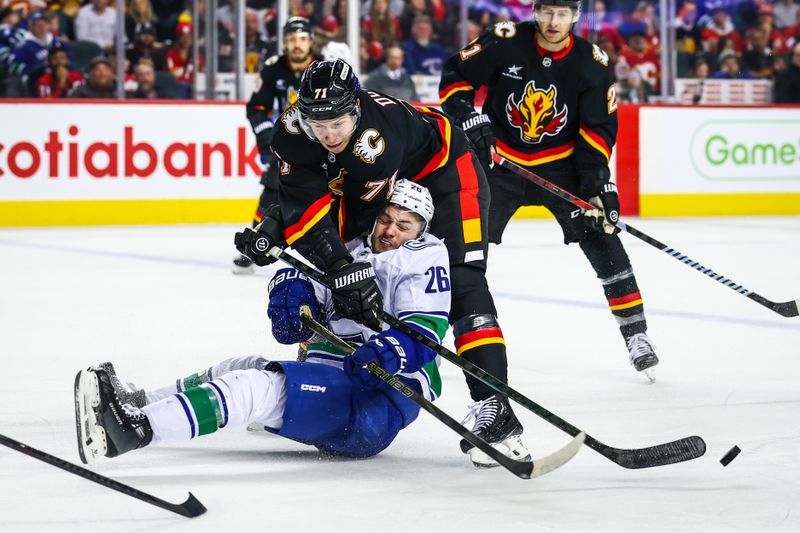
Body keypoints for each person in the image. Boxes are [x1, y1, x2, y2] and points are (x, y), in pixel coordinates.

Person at [234, 59, 531, 468]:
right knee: (343, 270)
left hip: (445, 174)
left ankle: (495, 410)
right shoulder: (293, 131)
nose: (328, 134)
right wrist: (279, 221)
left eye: (338, 122)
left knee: (461, 283)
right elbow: (306, 202)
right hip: (380, 181)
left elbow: (349, 226)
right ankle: (322, 367)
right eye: (318, 124)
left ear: (355, 108)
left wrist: (293, 235)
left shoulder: (375, 141)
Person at [74, 182, 451, 465]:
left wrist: (390, 351)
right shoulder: (352, 249)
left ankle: (135, 431)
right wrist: (290, 290)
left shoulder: (424, 257)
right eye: (385, 219)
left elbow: (424, 330)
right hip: (339, 383)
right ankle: (141, 403)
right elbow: (311, 283)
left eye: (404, 224)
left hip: (376, 404)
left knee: (254, 387)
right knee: (239, 366)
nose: (390, 230)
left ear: (422, 230)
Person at [438, 0, 660, 381]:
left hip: (563, 168)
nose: (553, 22)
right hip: (499, 163)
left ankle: (636, 334)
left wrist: (596, 185)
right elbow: (456, 75)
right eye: (546, 12)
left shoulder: (592, 62)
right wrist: (469, 117)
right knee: (459, 246)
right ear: (536, 11)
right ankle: (435, 332)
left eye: (562, 14)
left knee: (604, 239)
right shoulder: (505, 40)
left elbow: (597, 130)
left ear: (575, 17)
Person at [233, 16, 317, 274]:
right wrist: (267, 137)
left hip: (323, 144)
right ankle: (252, 246)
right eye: (292, 39)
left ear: (311, 41)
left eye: (302, 39)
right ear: (284, 43)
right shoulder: (272, 69)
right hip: (287, 145)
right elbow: (256, 108)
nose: (297, 45)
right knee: (271, 192)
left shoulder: (324, 66)